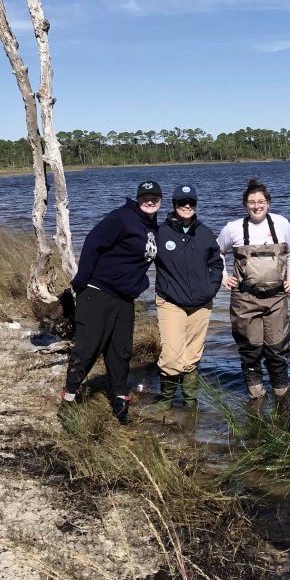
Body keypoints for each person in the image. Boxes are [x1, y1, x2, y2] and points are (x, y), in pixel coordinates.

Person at [61, 179, 161, 424]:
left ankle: (119, 399)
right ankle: (69, 399)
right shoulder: (122, 218)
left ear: (160, 200)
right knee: (88, 348)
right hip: (98, 291)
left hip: (124, 299)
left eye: (154, 198)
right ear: (138, 198)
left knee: (121, 352)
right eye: (145, 197)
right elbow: (94, 242)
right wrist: (81, 281)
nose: (150, 201)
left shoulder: (152, 225)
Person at [141, 184, 223, 418]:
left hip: (201, 303)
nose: (186, 206)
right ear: (174, 205)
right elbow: (142, 258)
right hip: (171, 303)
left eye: (190, 202)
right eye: (181, 202)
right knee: (172, 357)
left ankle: (190, 403)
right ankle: (165, 401)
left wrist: (212, 288)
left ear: (195, 205)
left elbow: (216, 263)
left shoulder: (205, 233)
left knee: (192, 356)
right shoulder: (160, 232)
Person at [216, 178, 290, 401]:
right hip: (245, 299)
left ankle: (281, 395)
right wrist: (224, 277)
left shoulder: (281, 223)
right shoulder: (233, 228)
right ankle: (256, 397)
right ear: (245, 204)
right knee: (250, 348)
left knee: (277, 348)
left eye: (261, 201)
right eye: (251, 202)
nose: (256, 206)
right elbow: (215, 252)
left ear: (268, 203)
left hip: (276, 298)